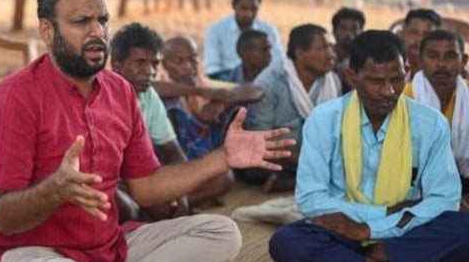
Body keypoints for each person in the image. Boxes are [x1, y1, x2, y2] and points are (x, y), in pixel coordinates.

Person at [0, 0, 294, 262]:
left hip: (107, 252)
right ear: (47, 31)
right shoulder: (15, 96)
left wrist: (223, 158)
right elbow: (5, 219)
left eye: (103, 20)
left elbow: (146, 188)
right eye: (81, 22)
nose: (97, 32)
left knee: (222, 234)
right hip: (25, 258)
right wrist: (55, 191)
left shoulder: (120, 91)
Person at [269, 31, 469, 262]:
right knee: (286, 242)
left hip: (408, 229)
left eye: (396, 79)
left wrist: (371, 230)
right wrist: (384, 212)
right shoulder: (323, 119)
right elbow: (310, 198)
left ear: (406, 70)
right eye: (375, 81)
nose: (388, 91)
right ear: (352, 77)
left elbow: (444, 200)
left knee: (463, 226)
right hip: (344, 231)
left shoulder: (431, 124)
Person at [239, 24, 340, 191]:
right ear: (300, 54)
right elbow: (262, 135)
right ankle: (306, 180)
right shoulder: (269, 83)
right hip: (283, 157)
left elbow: (335, 131)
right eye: (323, 48)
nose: (331, 55)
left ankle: (289, 183)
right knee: (254, 160)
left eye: (331, 48)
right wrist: (304, 160)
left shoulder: (331, 80)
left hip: (314, 156)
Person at [159, 35, 260, 200]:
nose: (188, 66)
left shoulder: (203, 84)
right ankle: (168, 204)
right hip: (174, 168)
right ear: (164, 65)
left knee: (224, 178)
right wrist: (197, 92)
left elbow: (255, 90)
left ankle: (176, 204)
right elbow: (151, 88)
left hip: (201, 163)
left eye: (193, 59)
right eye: (179, 61)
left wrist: (222, 103)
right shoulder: (163, 92)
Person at [109, 23, 190, 221]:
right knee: (129, 208)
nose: (150, 71)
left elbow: (174, 152)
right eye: (141, 62)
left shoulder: (149, 95)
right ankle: (143, 212)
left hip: (143, 179)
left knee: (220, 179)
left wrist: (179, 191)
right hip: (110, 182)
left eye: (154, 64)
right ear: (116, 64)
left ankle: (149, 212)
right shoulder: (102, 96)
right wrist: (151, 194)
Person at [403, 29, 469, 196]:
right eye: (433, 56)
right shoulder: (404, 98)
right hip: (417, 185)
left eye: (450, 56)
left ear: (464, 60)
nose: (441, 64)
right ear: (420, 60)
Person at [203, 0, 284, 81]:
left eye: (253, 9)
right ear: (233, 5)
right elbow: (212, 69)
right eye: (244, 9)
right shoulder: (215, 30)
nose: (249, 14)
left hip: (264, 83)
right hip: (227, 84)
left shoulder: (269, 31)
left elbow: (279, 63)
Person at [399, 8, 442, 80]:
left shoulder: (443, 74)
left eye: (427, 34)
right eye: (413, 32)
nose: (420, 39)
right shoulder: (388, 69)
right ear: (402, 34)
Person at [331, 7, 365, 93]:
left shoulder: (364, 61)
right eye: (343, 28)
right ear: (334, 31)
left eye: (354, 29)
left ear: (361, 32)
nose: (348, 34)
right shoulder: (325, 57)